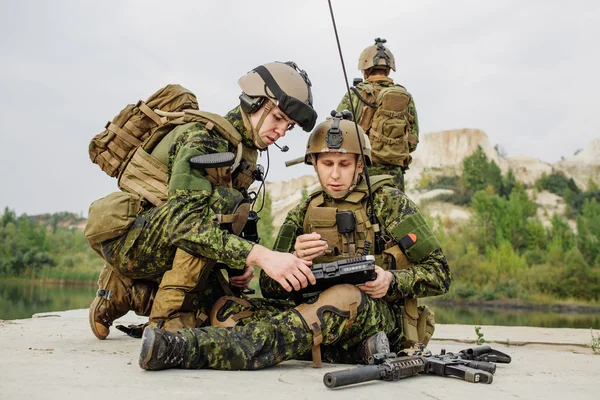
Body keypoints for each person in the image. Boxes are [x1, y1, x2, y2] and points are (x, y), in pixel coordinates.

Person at [137, 111, 451, 371]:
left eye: (344, 164)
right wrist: (298, 262)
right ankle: (347, 354)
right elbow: (271, 287)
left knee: (340, 299)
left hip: (381, 316)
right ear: (314, 164)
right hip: (311, 310)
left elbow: (439, 273)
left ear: (360, 165)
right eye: (327, 164)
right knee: (227, 311)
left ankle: (186, 350)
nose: (335, 175)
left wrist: (391, 281)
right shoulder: (304, 211)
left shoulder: (389, 203)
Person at [88, 61, 318, 339]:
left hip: (168, 241)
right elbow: (184, 225)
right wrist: (262, 257)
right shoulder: (206, 140)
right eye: (278, 118)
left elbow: (218, 228)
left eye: (289, 126)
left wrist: (238, 265)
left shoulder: (242, 151)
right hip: (132, 243)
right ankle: (165, 322)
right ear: (255, 102)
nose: (281, 132)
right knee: (222, 204)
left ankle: (124, 293)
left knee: (222, 312)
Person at [337, 38, 419, 191]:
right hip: (395, 174)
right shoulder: (404, 96)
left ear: (365, 70)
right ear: (388, 70)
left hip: (364, 171)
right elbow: (412, 141)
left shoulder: (355, 94)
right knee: (394, 214)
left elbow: (338, 134)